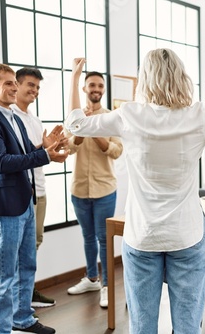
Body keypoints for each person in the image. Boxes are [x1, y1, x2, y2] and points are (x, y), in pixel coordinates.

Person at [65, 49, 205, 334]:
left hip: (142, 235)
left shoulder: (129, 115)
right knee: (187, 327)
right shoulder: (198, 115)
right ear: (181, 76)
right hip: (185, 235)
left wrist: (75, 78)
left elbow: (75, 124)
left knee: (142, 326)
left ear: (144, 79)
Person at [0, 63, 69, 334]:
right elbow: (1, 162)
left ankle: (22, 319)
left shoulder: (12, 116)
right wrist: (46, 155)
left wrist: (45, 147)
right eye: (8, 83)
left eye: (15, 82)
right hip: (5, 207)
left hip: (26, 202)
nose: (15, 87)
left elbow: (27, 151)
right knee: (4, 275)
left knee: (27, 264)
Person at [65, 70, 123, 308]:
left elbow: (116, 151)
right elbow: (69, 148)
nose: (96, 89)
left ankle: (107, 286)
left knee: (104, 239)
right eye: (91, 85)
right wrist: (81, 127)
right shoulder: (74, 118)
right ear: (84, 89)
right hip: (79, 189)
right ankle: (91, 278)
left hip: (104, 190)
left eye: (100, 85)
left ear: (104, 90)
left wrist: (94, 129)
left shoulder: (111, 118)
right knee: (87, 237)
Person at [11, 67, 61, 309]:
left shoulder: (34, 118)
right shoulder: (9, 117)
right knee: (20, 249)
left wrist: (48, 147)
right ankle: (19, 299)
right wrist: (44, 150)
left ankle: (27, 292)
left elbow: (34, 153)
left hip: (39, 190)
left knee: (34, 244)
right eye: (30, 85)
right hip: (21, 193)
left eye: (38, 87)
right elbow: (17, 157)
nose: (34, 90)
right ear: (16, 85)